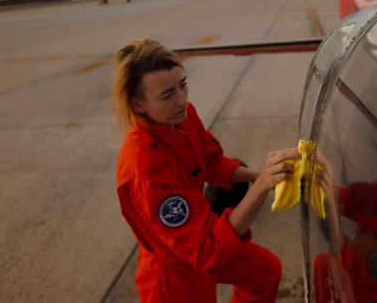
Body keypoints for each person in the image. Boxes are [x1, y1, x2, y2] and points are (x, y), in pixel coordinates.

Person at [111, 39, 298, 303]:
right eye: (167, 95)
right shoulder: (144, 165)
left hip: (200, 237)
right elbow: (206, 248)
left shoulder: (182, 117)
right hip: (175, 271)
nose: (181, 100)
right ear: (138, 105)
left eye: (183, 85)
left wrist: (259, 175)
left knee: (265, 271)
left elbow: (210, 162)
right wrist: (261, 187)